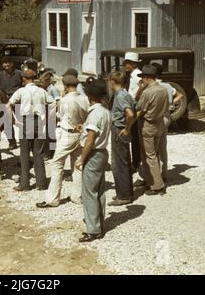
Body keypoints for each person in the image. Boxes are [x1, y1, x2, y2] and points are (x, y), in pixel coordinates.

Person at [36, 75, 89, 208]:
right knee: (77, 165)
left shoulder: (65, 100)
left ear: (65, 86)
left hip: (67, 133)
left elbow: (60, 116)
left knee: (57, 164)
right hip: (81, 133)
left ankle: (53, 198)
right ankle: (77, 195)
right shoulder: (84, 98)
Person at [75, 82, 112, 243]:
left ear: (90, 98)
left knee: (89, 193)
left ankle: (93, 229)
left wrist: (81, 159)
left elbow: (90, 141)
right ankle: (99, 222)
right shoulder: (104, 111)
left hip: (93, 153)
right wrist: (82, 129)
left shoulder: (94, 114)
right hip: (102, 152)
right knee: (99, 190)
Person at [7, 70, 55, 191]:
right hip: (39, 121)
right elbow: (53, 103)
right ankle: (41, 183)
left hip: (26, 121)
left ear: (24, 79)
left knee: (24, 153)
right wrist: (48, 118)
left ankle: (25, 184)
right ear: (34, 78)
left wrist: (13, 119)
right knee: (38, 153)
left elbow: (8, 105)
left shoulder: (21, 91)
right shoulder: (42, 91)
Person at [134, 65, 170, 195]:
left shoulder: (148, 92)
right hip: (159, 123)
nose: (142, 80)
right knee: (155, 154)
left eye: (143, 77)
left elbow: (139, 108)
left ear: (147, 77)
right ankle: (151, 180)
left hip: (148, 124)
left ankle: (157, 185)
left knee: (149, 156)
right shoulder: (163, 89)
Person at [151, 63, 184, 182]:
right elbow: (180, 95)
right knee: (162, 146)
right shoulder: (168, 86)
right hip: (166, 117)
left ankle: (155, 176)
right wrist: (171, 103)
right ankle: (164, 173)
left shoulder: (154, 86)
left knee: (153, 149)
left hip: (156, 118)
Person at [108, 71, 135, 206]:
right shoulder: (125, 94)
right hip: (120, 129)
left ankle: (123, 196)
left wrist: (126, 128)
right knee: (124, 162)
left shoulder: (120, 96)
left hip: (119, 130)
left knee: (119, 164)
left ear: (112, 82)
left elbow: (130, 113)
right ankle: (127, 192)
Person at [0, 58, 23, 149]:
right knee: (7, 123)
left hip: (18, 101)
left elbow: (24, 84)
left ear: (12, 63)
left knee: (22, 121)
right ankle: (12, 143)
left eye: (8, 62)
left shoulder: (19, 73)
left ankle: (26, 142)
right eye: (4, 63)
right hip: (5, 101)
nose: (6, 64)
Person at [123, 52, 143, 173]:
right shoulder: (130, 75)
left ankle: (136, 163)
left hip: (135, 108)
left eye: (127, 63)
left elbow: (140, 90)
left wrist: (135, 99)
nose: (125, 65)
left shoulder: (137, 76)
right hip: (131, 106)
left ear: (133, 64)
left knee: (135, 137)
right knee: (133, 136)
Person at [37, 69, 60, 160]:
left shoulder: (53, 89)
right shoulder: (46, 89)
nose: (41, 84)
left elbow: (58, 102)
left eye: (42, 82)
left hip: (51, 114)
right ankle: (48, 152)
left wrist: (52, 114)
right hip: (45, 114)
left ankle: (50, 153)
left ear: (47, 81)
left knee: (50, 135)